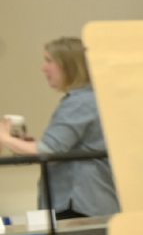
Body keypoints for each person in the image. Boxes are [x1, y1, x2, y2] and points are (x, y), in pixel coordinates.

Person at [0, 37, 118, 219]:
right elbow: (59, 148)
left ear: (68, 65)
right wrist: (20, 144)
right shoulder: (87, 99)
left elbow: (49, 150)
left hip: (79, 205)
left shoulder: (79, 103)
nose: (43, 68)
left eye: (49, 61)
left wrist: (5, 138)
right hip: (89, 203)